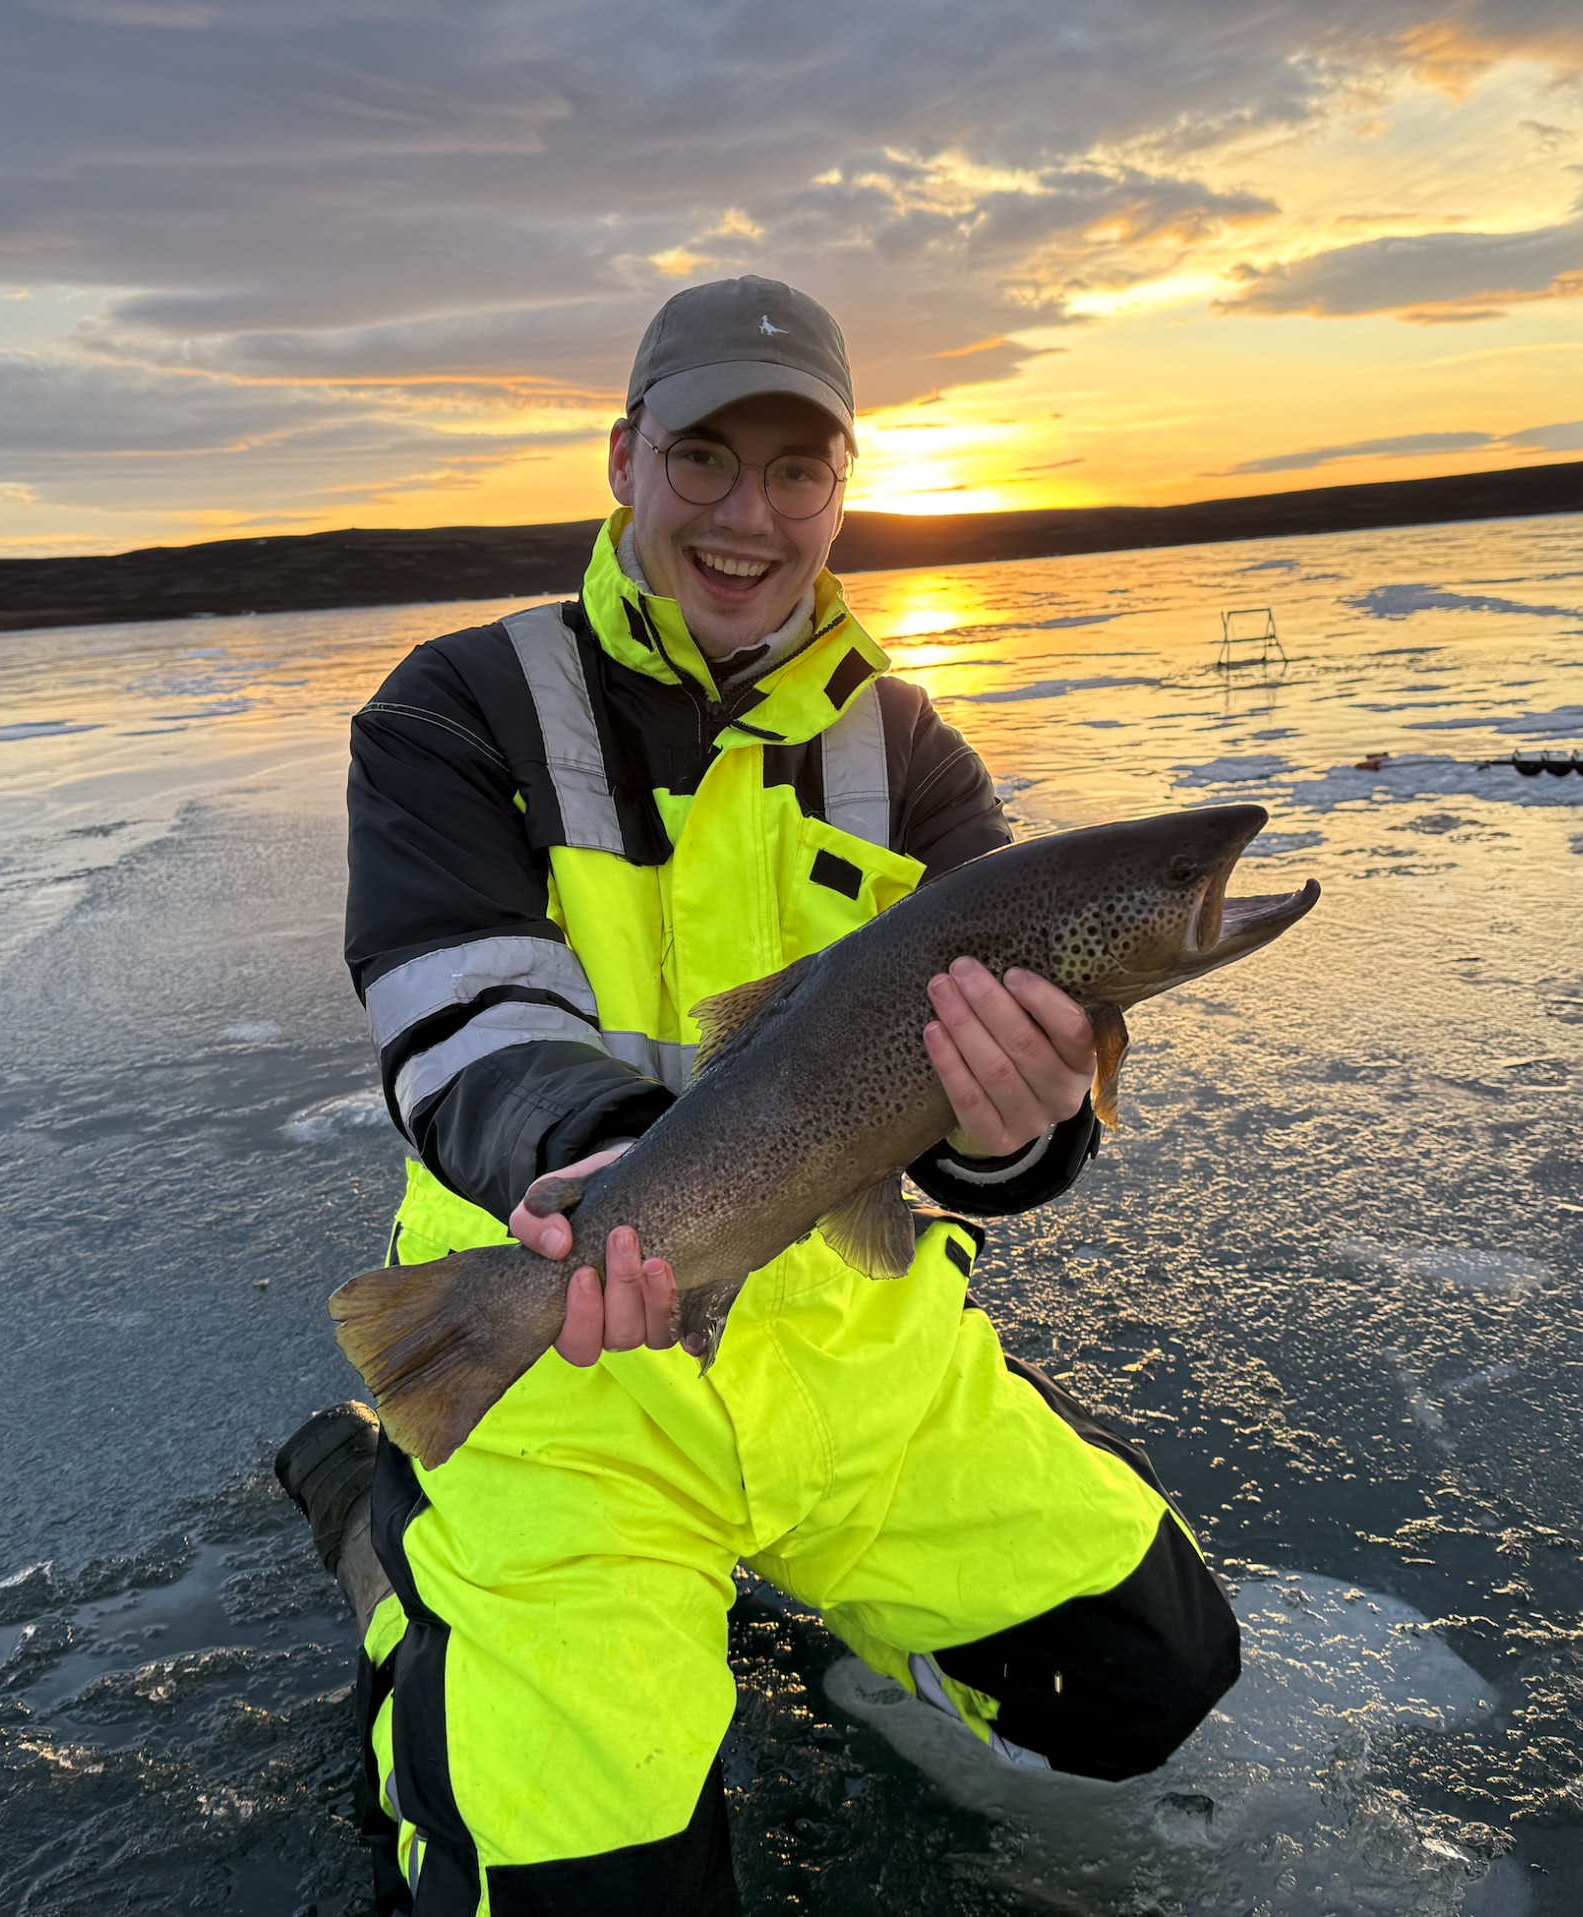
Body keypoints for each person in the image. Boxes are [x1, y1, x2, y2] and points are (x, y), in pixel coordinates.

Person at [276, 275, 1240, 1916]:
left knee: (1157, 1669)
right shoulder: (458, 707)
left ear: (844, 491)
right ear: (624, 458)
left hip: (852, 1373)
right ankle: (397, 1577)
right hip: (563, 1365)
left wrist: (1024, 1131)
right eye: (706, 458)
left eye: (800, 472)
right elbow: (458, 1010)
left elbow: (990, 1117)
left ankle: (825, 1597)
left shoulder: (915, 753)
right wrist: (595, 1164)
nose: (751, 514)